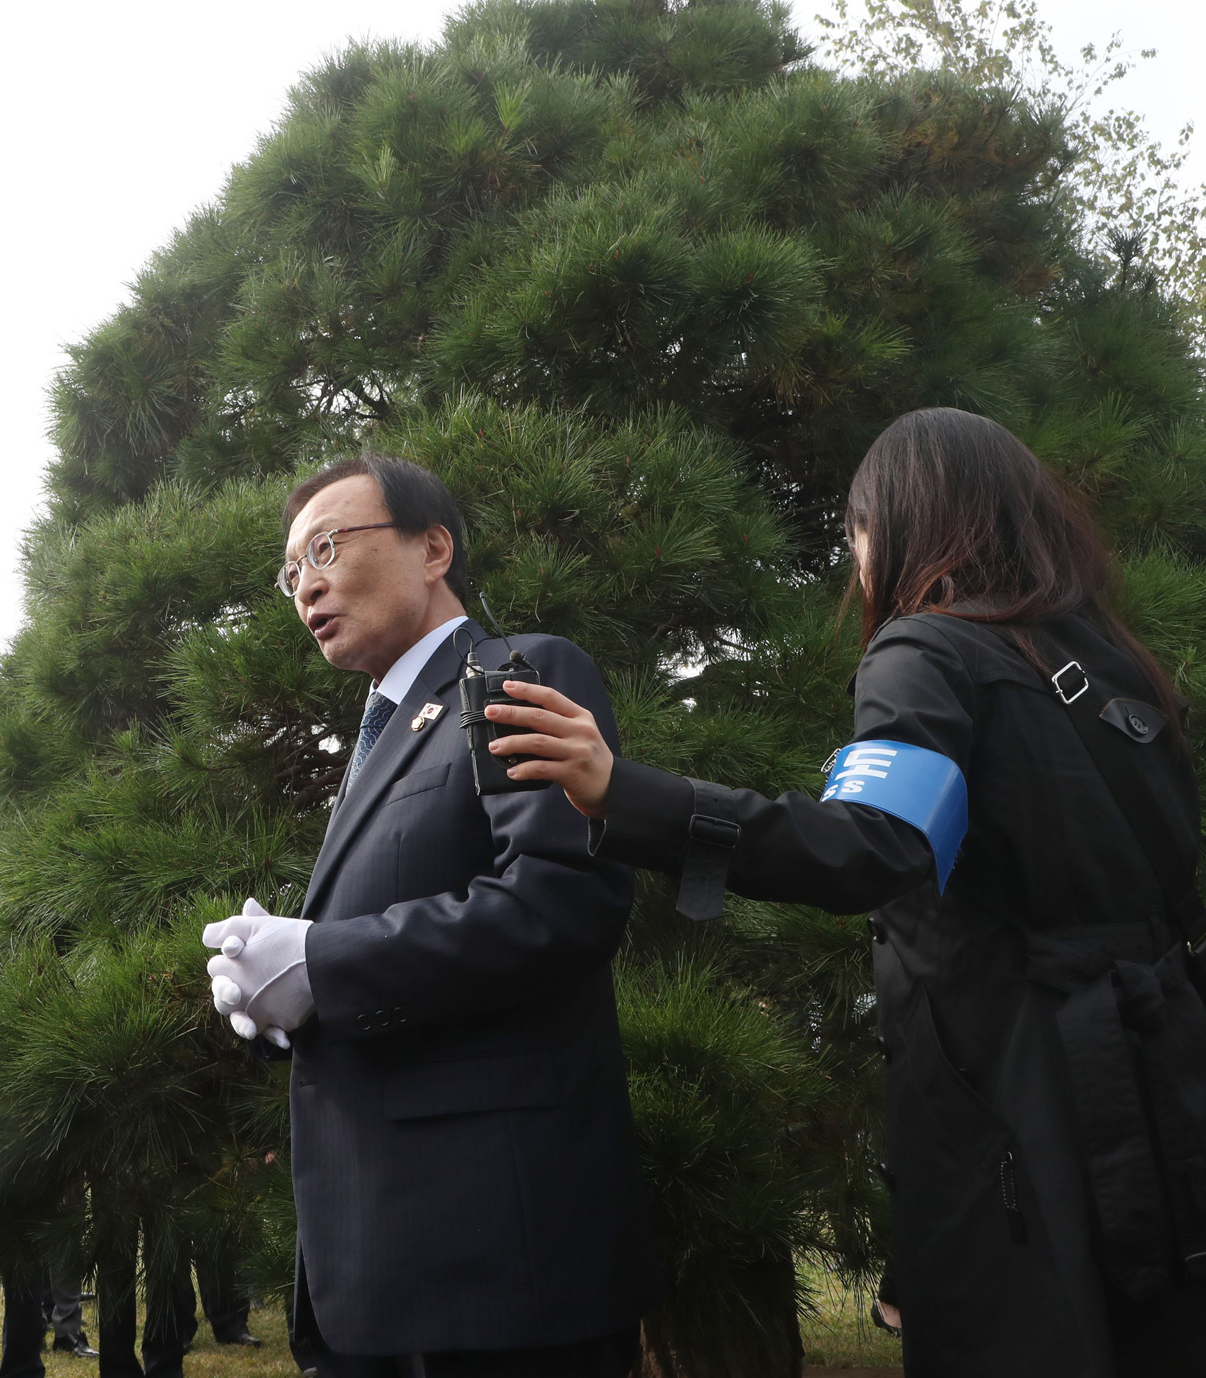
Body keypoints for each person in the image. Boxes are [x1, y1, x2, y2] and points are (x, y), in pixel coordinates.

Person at [481, 408, 1206, 1377]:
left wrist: (629, 794)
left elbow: (871, 845)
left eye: (855, 531)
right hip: (1167, 1100)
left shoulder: (928, 653)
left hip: (1019, 1121)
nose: (854, 559)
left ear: (906, 522)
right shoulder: (1115, 665)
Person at [203, 455, 661, 1377]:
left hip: (497, 1259)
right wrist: (280, 1003)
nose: (309, 584)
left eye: (329, 545)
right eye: (292, 571)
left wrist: (324, 963)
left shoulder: (515, 673)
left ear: (434, 547)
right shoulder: (383, 731)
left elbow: (561, 901)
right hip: (378, 1258)